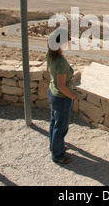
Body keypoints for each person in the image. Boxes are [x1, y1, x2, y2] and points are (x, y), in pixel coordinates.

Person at [46, 28, 77, 164]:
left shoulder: (50, 54)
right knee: (61, 127)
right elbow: (62, 86)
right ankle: (58, 156)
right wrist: (72, 96)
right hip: (61, 98)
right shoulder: (61, 62)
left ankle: (54, 146)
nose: (68, 42)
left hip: (52, 93)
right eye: (66, 40)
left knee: (54, 122)